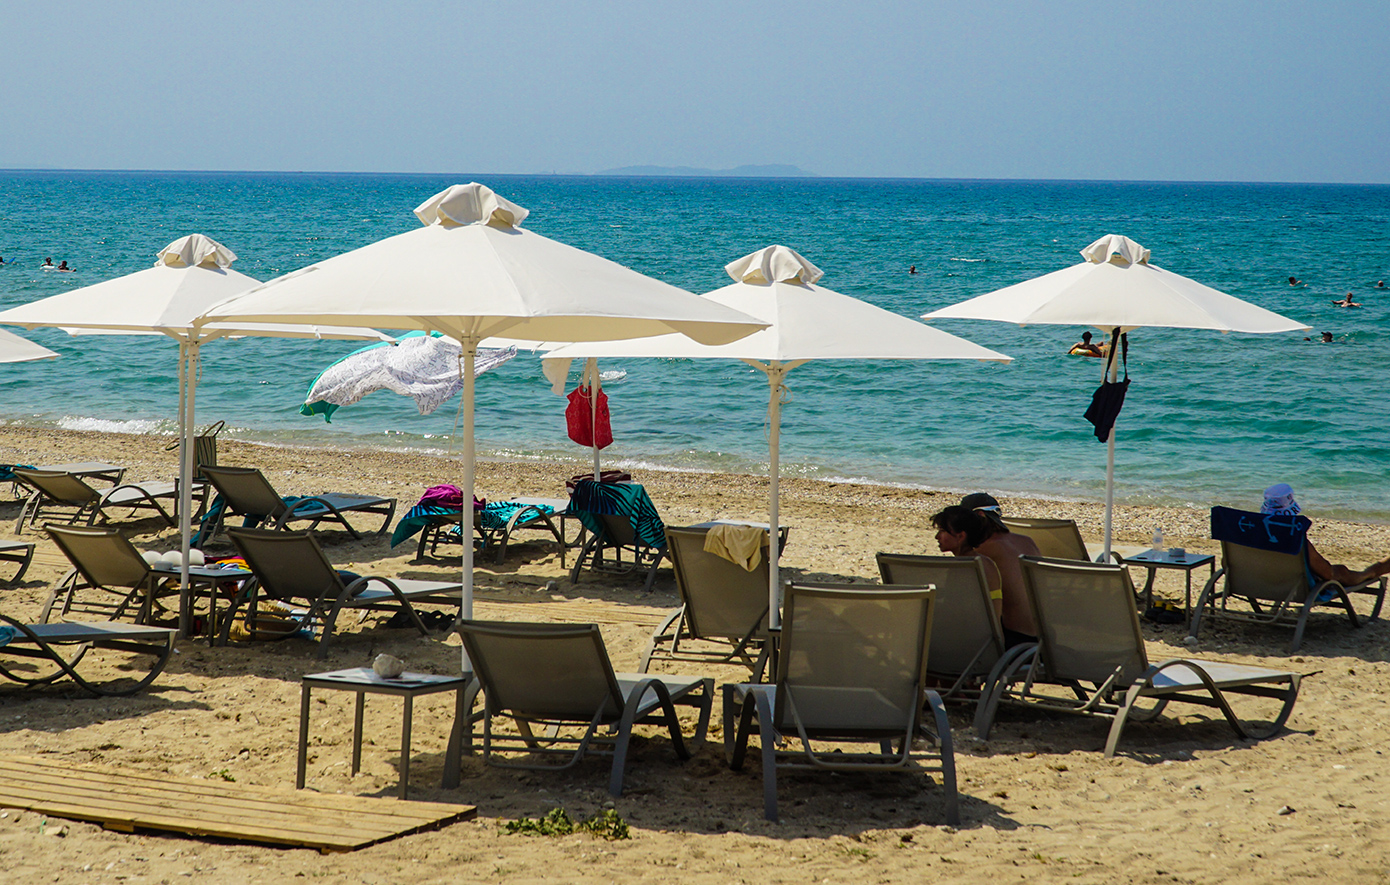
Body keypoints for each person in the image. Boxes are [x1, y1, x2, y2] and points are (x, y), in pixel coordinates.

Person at [1261, 484, 1390, 585]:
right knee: (1342, 571)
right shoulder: (1296, 537)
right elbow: (1327, 573)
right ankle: (1372, 571)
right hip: (1296, 583)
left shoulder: (1254, 534)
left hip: (1265, 581)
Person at [959, 492, 1042, 646]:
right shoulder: (1027, 541)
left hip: (1014, 642)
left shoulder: (983, 551)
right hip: (1045, 640)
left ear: (979, 515)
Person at [930, 505, 1003, 617]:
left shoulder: (962, 567)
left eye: (942, 531)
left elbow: (951, 609)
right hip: (988, 631)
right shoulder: (986, 562)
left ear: (961, 536)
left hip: (964, 631)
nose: (937, 536)